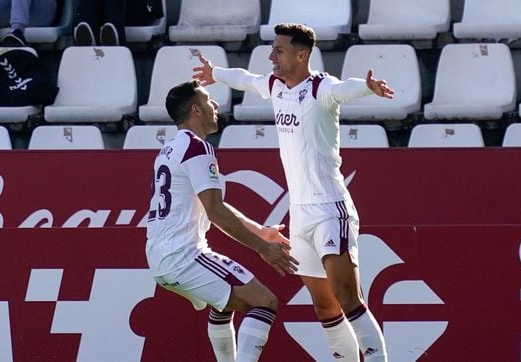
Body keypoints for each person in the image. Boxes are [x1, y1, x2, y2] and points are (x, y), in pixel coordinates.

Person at [193, 23, 394, 361]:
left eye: (279, 51)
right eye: (273, 50)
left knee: (348, 297)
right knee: (324, 306)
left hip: (331, 208)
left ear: (302, 55)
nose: (271, 56)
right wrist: (217, 74)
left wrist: (369, 89)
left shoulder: (321, 88)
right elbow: (245, 80)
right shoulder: (275, 86)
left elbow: (346, 89)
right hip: (299, 215)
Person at [145, 79, 299, 362]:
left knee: (224, 304)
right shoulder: (197, 148)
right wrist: (262, 248)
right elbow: (215, 212)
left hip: (162, 256)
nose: (215, 105)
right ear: (196, 110)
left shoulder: (168, 149)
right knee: (264, 302)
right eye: (208, 101)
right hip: (185, 255)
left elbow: (214, 205)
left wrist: (261, 232)